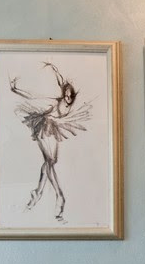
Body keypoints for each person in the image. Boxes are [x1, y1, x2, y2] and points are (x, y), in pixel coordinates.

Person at [10, 63, 91, 222]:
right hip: (43, 128)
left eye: (70, 96)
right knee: (50, 161)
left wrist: (55, 69)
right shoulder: (53, 103)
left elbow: (61, 81)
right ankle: (59, 196)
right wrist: (15, 89)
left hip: (53, 129)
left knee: (51, 162)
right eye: (66, 96)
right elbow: (32, 97)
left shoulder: (70, 102)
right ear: (63, 95)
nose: (68, 99)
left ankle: (37, 192)